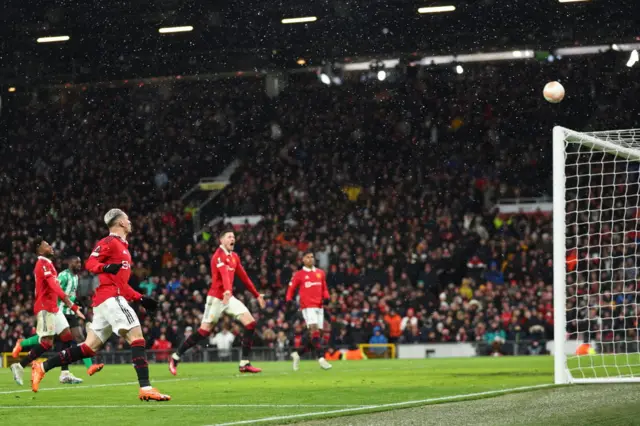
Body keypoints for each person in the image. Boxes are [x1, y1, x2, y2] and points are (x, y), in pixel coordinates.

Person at [30, 209, 170, 402]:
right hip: (110, 299)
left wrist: (140, 299)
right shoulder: (109, 242)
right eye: (127, 219)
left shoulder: (123, 246)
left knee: (89, 347)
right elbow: (90, 263)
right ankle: (145, 387)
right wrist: (104, 267)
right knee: (137, 338)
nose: (130, 222)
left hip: (108, 300)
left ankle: (42, 367)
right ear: (120, 223)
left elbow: (121, 285)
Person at [170, 229, 266, 374]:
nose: (232, 239)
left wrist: (257, 294)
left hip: (228, 298)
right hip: (216, 299)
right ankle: (176, 356)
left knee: (251, 323)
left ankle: (244, 363)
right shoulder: (218, 256)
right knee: (204, 332)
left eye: (233, 237)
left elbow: (244, 277)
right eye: (229, 237)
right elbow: (225, 275)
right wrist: (227, 290)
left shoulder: (234, 256)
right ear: (221, 240)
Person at [12, 256, 104, 381]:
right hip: (59, 310)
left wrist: (76, 303)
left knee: (74, 338)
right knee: (49, 340)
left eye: (80, 262)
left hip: (69, 312)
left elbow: (70, 294)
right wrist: (64, 304)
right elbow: (55, 290)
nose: (79, 264)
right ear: (70, 262)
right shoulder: (63, 275)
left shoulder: (76, 277)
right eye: (76, 262)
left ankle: (74, 370)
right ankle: (23, 346)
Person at [286, 251, 332, 371]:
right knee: (314, 331)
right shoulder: (299, 274)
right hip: (307, 306)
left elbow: (324, 288)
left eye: (312, 257)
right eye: (308, 257)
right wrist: (289, 299)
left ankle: (298, 354)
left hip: (319, 306)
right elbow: (291, 288)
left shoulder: (320, 273)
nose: (310, 259)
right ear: (303, 260)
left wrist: (327, 297)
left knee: (317, 335)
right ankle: (321, 358)